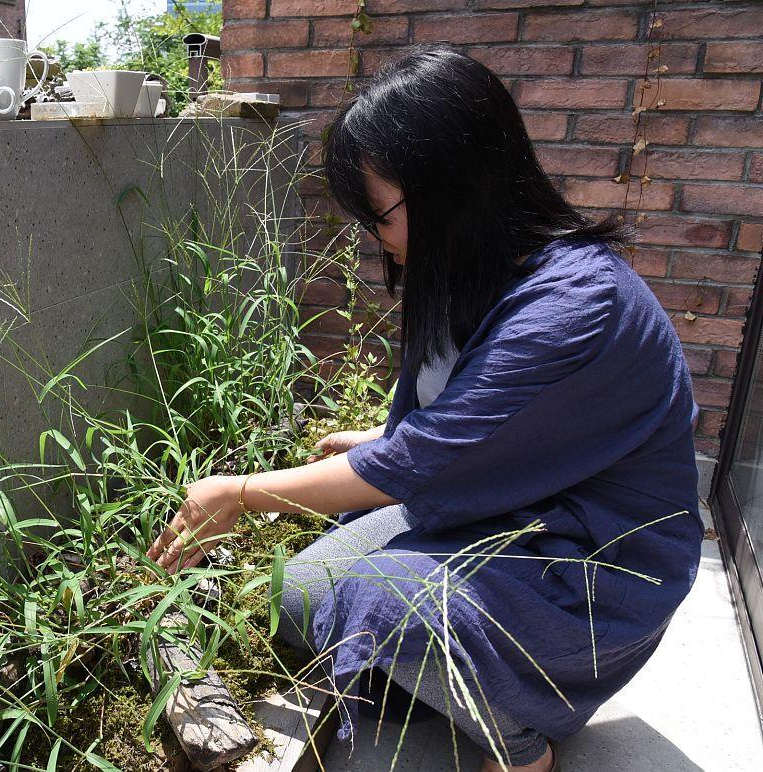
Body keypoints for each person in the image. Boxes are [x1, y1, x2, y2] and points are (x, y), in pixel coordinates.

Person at [146, 46, 704, 772]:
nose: (369, 232)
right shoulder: (467, 272)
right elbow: (483, 424)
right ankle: (451, 664)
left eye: (375, 210)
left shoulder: (575, 306)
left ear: (450, 184)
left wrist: (246, 494)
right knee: (298, 599)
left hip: (590, 562)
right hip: (506, 511)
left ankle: (522, 745)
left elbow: (424, 459)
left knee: (376, 601)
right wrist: (385, 435)